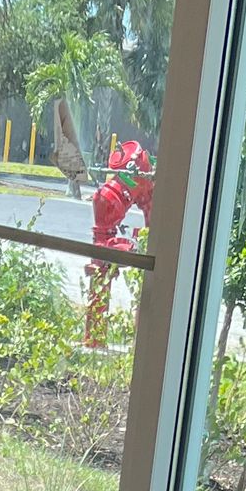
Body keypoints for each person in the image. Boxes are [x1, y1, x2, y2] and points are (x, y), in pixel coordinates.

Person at [86, 140, 153, 347]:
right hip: (109, 222)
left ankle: (94, 339)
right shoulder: (137, 184)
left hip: (108, 220)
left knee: (100, 270)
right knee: (101, 269)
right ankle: (97, 340)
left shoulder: (106, 196)